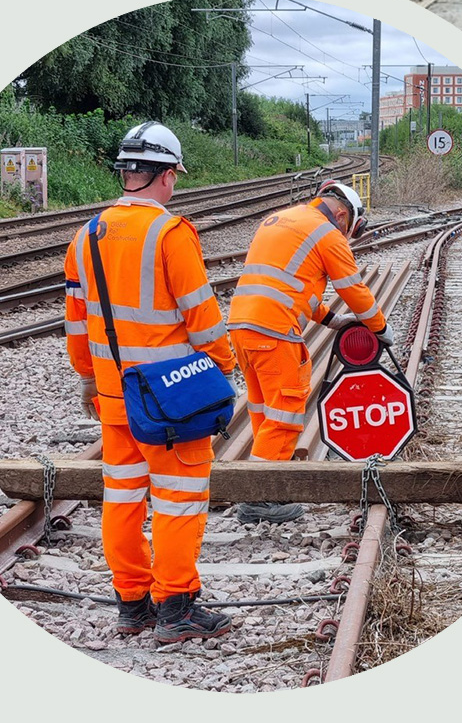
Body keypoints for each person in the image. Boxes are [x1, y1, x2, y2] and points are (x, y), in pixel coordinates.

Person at [63, 121, 238, 644]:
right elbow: (203, 316)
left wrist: (90, 379)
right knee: (179, 499)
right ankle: (176, 607)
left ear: (125, 174)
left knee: (122, 499)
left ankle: (132, 604)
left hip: (116, 399)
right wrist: (223, 369)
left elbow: (76, 323)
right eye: (175, 177)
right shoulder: (170, 232)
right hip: (171, 400)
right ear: (164, 176)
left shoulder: (85, 235)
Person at [228, 178, 393, 523]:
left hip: (242, 325)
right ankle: (258, 499)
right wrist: (379, 327)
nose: (347, 234)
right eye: (351, 227)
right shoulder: (327, 233)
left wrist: (333, 320)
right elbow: (354, 289)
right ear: (343, 214)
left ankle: (263, 481)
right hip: (275, 331)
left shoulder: (279, 219)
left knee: (264, 410)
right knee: (287, 410)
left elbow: (293, 285)